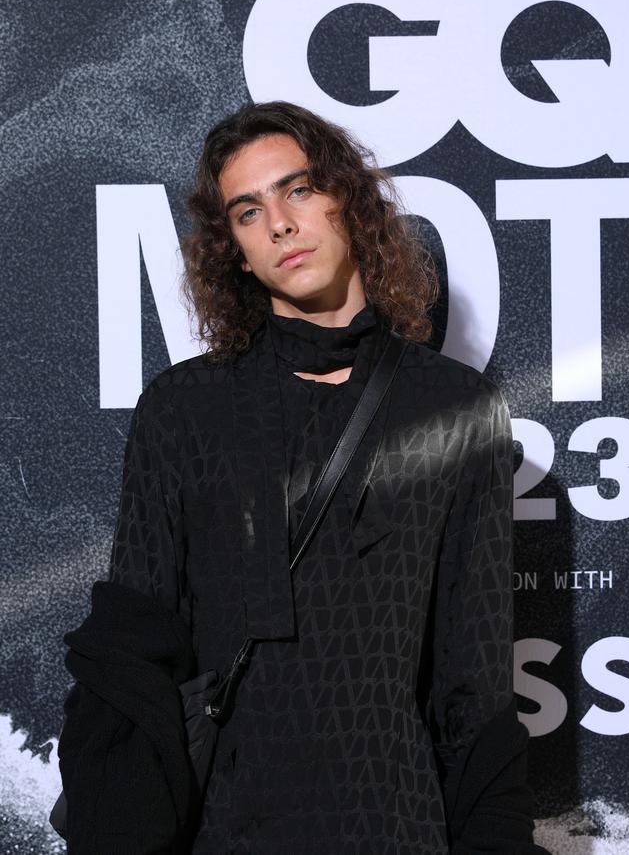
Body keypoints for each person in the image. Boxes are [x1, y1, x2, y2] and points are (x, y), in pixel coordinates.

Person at [57, 101, 549, 854]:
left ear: (347, 199)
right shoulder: (184, 408)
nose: (280, 223)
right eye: (248, 212)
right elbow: (133, 665)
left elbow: (474, 686)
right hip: (226, 827)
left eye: (298, 189)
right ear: (236, 251)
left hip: (394, 824)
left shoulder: (457, 407)